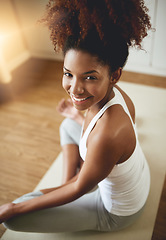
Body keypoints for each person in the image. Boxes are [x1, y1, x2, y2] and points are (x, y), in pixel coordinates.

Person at [0, 0, 152, 233]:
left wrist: (12, 207)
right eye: (68, 74)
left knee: (14, 217)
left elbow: (79, 187)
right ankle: (70, 180)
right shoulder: (118, 94)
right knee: (67, 125)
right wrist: (78, 117)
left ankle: (71, 181)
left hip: (116, 211)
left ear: (114, 75)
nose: (75, 89)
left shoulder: (108, 134)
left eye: (90, 77)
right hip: (136, 176)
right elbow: (96, 135)